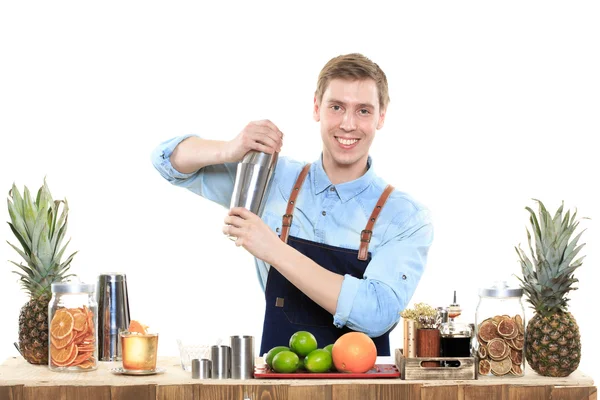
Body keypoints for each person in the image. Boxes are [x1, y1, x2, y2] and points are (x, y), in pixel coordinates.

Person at [151, 53, 433, 356]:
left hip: (361, 387)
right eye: (336, 107)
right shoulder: (271, 179)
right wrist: (230, 149)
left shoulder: (405, 216)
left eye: (363, 110)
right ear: (316, 108)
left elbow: (377, 313)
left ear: (381, 117)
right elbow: (167, 161)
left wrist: (272, 248)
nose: (348, 124)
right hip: (278, 380)